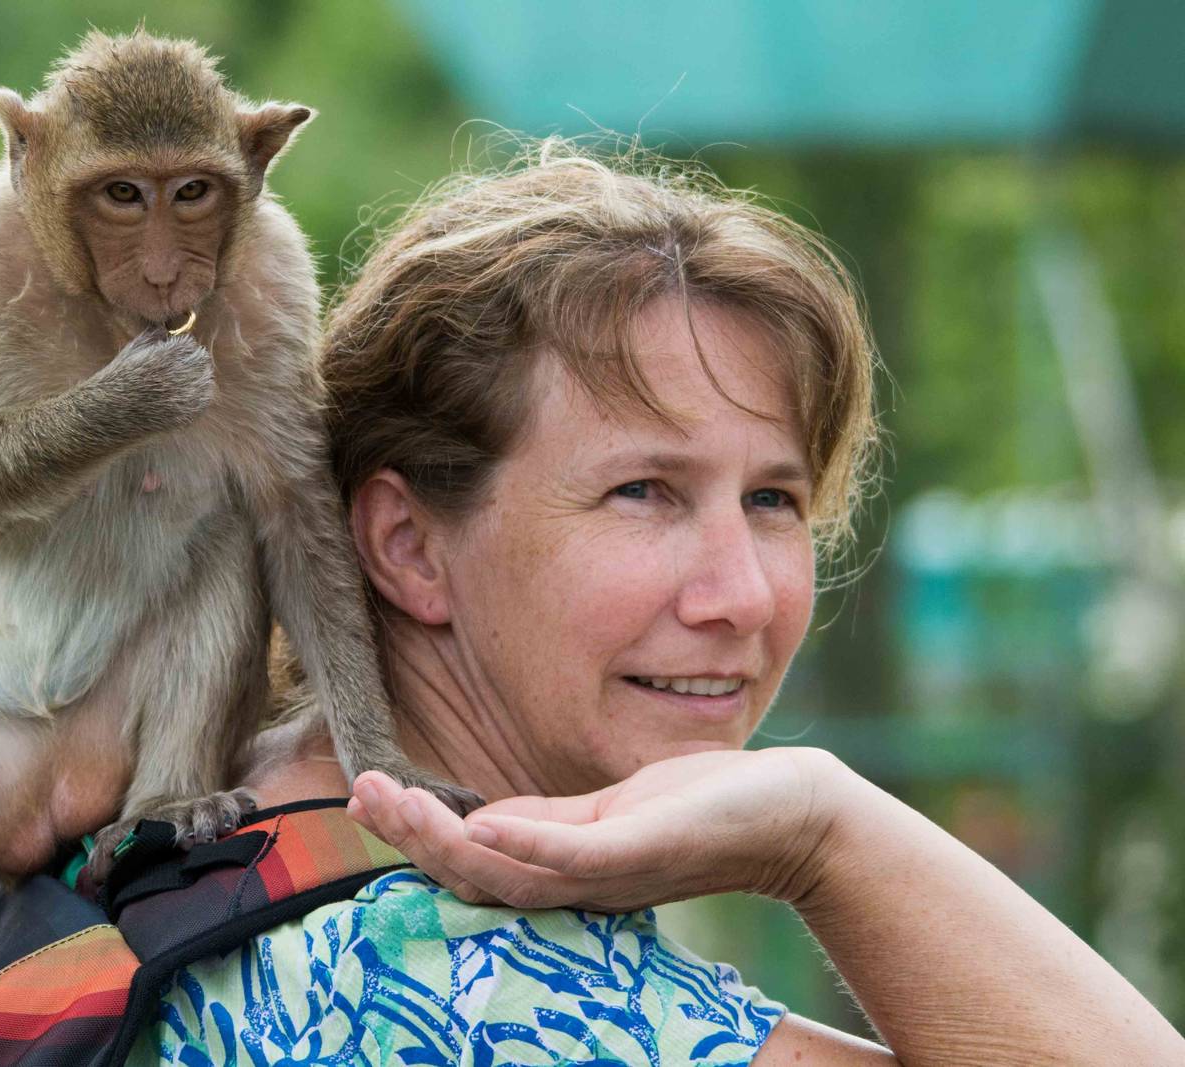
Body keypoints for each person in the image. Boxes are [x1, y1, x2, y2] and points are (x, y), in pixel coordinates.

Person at [136, 143, 1185, 1065]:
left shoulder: (184, 835)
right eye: (643, 491)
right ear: (407, 545)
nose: (743, 595)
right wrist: (825, 835)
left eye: (773, 499)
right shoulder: (475, 993)